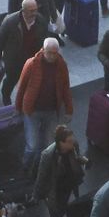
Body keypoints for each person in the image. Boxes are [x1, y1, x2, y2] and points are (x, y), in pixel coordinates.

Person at [16, 37, 73, 170]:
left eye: (55, 53)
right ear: (43, 50)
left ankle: (40, 168)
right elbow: (21, 87)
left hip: (51, 110)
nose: (52, 56)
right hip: (32, 110)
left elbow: (66, 88)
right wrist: (18, 107)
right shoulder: (31, 64)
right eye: (49, 53)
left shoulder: (62, 65)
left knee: (47, 144)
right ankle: (25, 167)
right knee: (32, 145)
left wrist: (69, 110)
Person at [35, 125, 87, 217]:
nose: (72, 143)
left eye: (72, 140)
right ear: (60, 142)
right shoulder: (48, 155)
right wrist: (37, 195)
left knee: (60, 213)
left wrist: (85, 161)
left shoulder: (73, 146)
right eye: (69, 141)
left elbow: (77, 157)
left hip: (67, 188)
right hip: (54, 193)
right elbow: (41, 177)